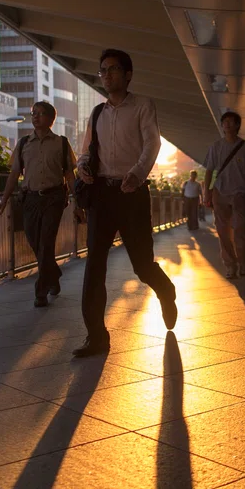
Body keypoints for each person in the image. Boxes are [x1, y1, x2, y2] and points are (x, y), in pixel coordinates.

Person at [75, 49, 177, 357]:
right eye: (102, 70)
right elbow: (85, 151)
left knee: (142, 265)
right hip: (102, 196)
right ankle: (96, 336)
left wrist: (136, 174)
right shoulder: (97, 114)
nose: (106, 75)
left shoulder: (143, 106)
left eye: (113, 70)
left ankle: (165, 290)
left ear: (128, 74)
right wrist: (82, 166)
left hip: (132, 193)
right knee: (94, 265)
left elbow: (152, 142)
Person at [0, 102, 77, 307]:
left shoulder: (62, 143)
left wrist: (79, 203)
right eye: (33, 114)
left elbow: (69, 175)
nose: (35, 117)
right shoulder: (24, 143)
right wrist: (4, 200)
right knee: (34, 241)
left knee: (46, 243)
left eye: (40, 114)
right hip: (30, 199)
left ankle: (40, 292)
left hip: (54, 198)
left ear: (51, 119)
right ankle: (54, 274)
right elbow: (14, 174)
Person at [204, 111, 245, 279]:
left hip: (239, 193)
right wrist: (207, 193)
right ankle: (230, 264)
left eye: (230, 122)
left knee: (240, 227)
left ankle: (242, 261)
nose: (227, 124)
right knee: (222, 230)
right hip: (219, 192)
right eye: (224, 122)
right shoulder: (216, 147)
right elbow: (209, 171)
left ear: (237, 126)